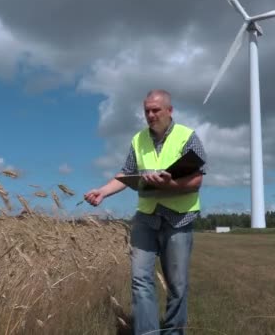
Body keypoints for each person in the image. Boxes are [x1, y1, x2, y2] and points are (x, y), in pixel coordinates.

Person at [84, 89, 207, 335]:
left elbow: (196, 181)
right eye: (147, 111)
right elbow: (125, 173)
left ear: (169, 111)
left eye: (155, 110)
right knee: (140, 280)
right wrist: (103, 191)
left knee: (177, 286)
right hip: (146, 217)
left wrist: (168, 185)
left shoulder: (188, 137)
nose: (150, 115)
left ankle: (173, 332)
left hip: (179, 218)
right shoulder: (138, 139)